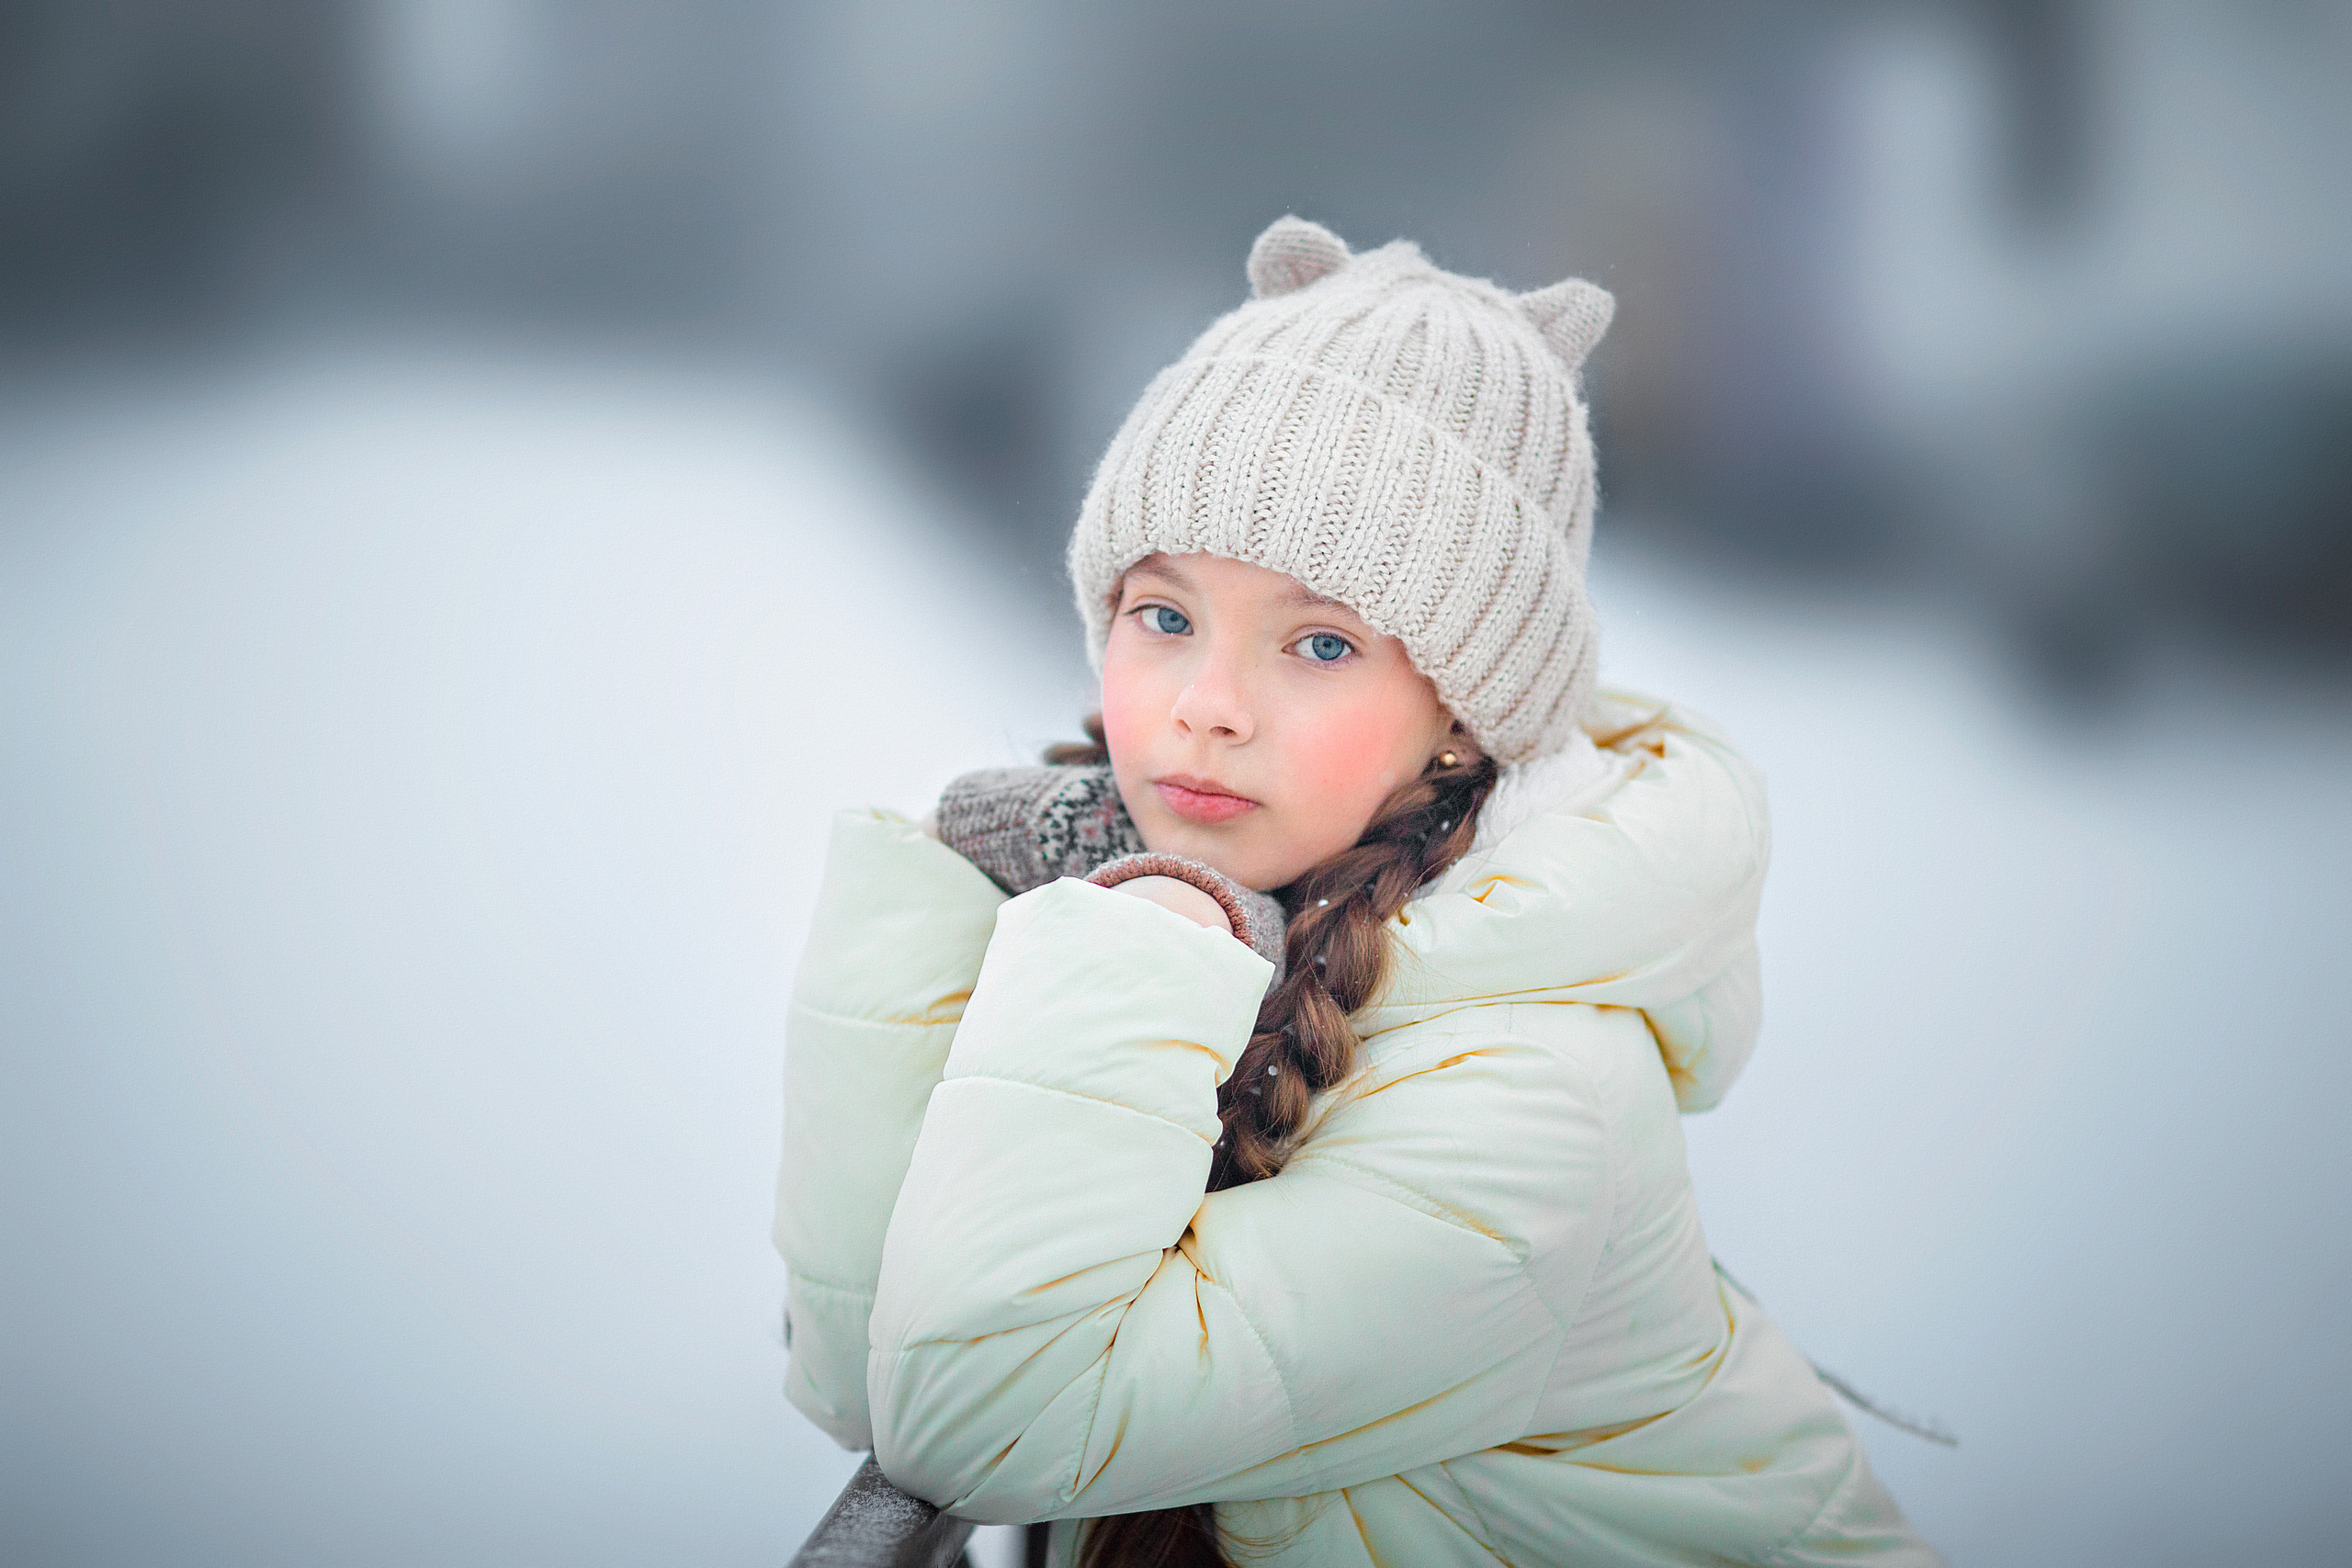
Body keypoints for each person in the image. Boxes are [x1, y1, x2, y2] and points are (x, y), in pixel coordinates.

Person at [774, 217, 1941, 1566]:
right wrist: (947, 893)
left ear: (1462, 714)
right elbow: (868, 1368)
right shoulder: (1113, 882)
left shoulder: (1531, 1100)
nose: (1205, 708)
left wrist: (1148, 939)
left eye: (1318, 643)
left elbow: (970, 1424)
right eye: (1165, 617)